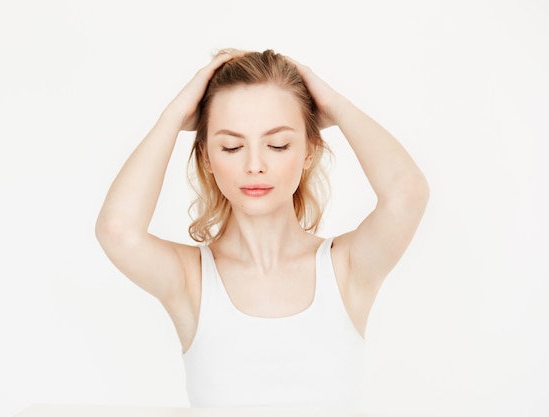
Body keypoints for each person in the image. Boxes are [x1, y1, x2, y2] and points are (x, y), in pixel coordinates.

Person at [95, 49, 429, 411]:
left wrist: (333, 104)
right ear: (207, 157)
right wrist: (174, 115)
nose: (255, 165)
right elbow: (117, 231)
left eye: (278, 144)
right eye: (232, 146)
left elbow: (407, 193)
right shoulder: (191, 279)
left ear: (308, 151)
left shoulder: (344, 268)